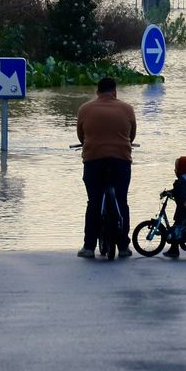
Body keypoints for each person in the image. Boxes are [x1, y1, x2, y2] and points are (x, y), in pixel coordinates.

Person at [75, 77, 136, 259]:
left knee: (94, 201)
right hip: (121, 161)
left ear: (97, 92)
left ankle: (88, 247)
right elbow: (131, 135)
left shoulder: (85, 109)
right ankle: (123, 247)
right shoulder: (127, 109)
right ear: (115, 92)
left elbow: (81, 136)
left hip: (93, 161)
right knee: (121, 200)